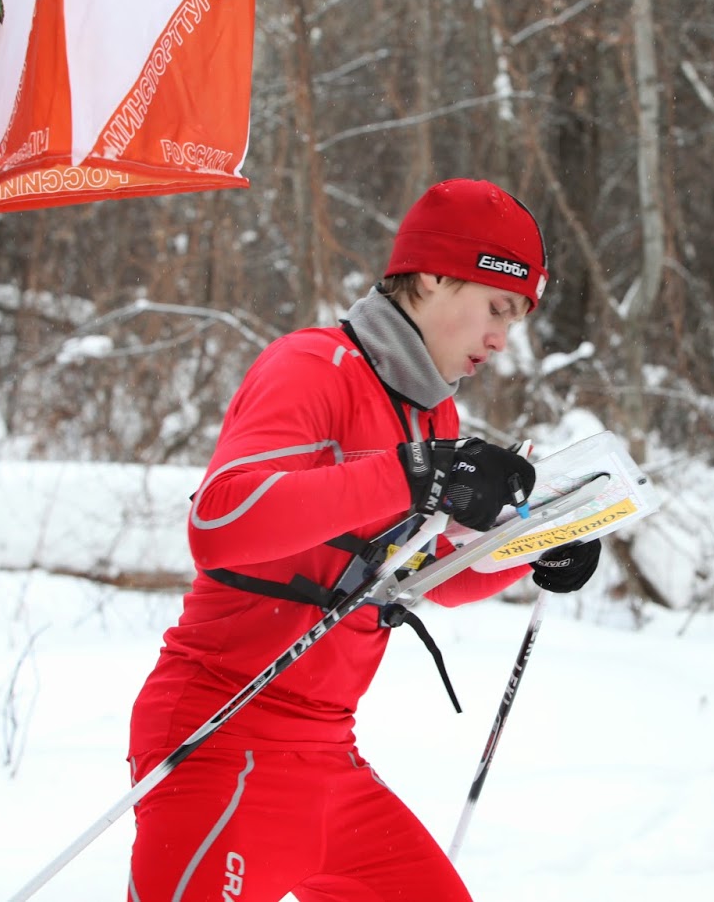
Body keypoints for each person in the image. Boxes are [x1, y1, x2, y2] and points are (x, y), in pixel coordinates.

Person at [127, 178, 603, 902]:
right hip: (221, 739)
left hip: (328, 759)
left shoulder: (431, 418)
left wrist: (533, 546)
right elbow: (218, 524)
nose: (503, 340)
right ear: (436, 276)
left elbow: (424, 577)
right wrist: (417, 474)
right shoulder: (312, 367)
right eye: (497, 308)